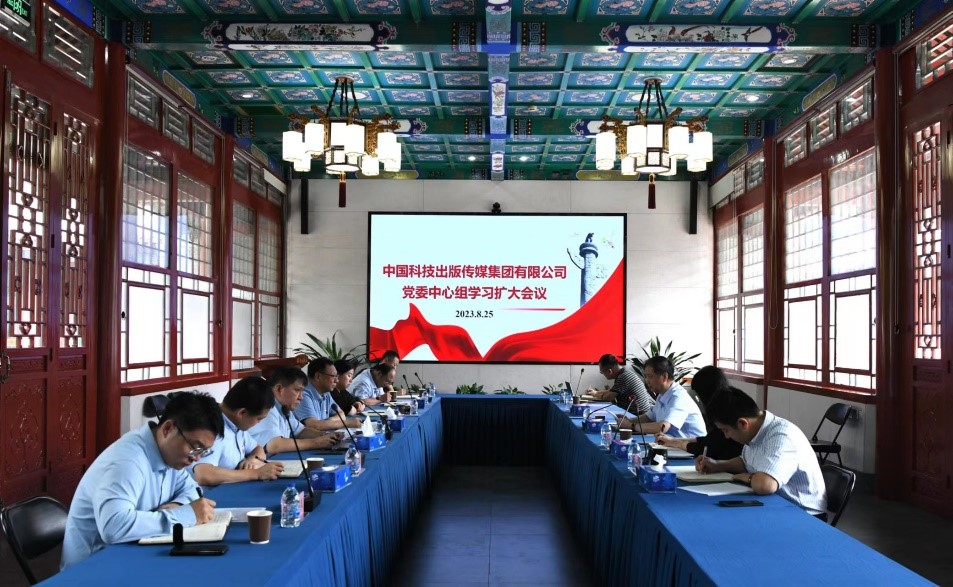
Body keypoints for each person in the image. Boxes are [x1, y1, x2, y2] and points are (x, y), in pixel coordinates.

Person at [61, 391, 223, 569]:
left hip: (131, 555)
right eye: (195, 447)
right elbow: (113, 526)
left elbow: (192, 489)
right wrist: (185, 515)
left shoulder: (170, 455)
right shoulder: (128, 461)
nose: (197, 458)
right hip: (93, 568)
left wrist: (178, 505)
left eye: (203, 451)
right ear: (168, 429)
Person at [696, 386, 827, 516]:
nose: (726, 436)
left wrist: (747, 477)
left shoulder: (781, 436)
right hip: (774, 504)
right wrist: (717, 465)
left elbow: (765, 485)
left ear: (743, 423)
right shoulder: (756, 430)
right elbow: (745, 462)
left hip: (803, 514)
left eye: (726, 430)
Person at [191, 376, 285, 486]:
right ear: (242, 413)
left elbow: (257, 448)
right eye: (259, 419)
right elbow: (203, 474)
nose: (259, 423)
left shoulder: (235, 423)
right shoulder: (211, 427)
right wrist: (256, 473)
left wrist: (254, 460)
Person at [249, 366, 343, 454]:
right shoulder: (266, 407)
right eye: (297, 390)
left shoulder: (284, 408)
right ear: (279, 389)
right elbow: (274, 445)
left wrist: (325, 435)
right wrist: (316, 443)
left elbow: (300, 431)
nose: (301, 397)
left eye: (302, 391)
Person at [655, 365, 742, 460]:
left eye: (699, 395)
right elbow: (709, 439)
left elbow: (710, 447)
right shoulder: (726, 400)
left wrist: (678, 443)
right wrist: (672, 441)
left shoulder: (724, 411)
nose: (699, 399)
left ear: (706, 394)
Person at [617, 355, 706, 438]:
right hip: (672, 444)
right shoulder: (663, 393)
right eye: (646, 377)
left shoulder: (678, 397)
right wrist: (629, 420)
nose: (647, 381)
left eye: (650, 376)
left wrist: (631, 426)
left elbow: (663, 427)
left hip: (691, 447)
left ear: (664, 377)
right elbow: (649, 417)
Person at [295, 358, 361, 430]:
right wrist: (347, 423)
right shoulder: (303, 395)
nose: (337, 380)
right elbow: (313, 425)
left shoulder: (326, 393)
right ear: (318, 376)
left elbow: (341, 414)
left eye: (337, 376)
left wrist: (327, 422)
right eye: (333, 376)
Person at [587, 354, 655, 415]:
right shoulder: (625, 372)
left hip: (638, 415)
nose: (603, 374)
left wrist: (595, 394)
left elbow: (608, 398)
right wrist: (595, 392)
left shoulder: (623, 377)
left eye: (602, 372)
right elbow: (612, 391)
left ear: (609, 371)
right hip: (640, 412)